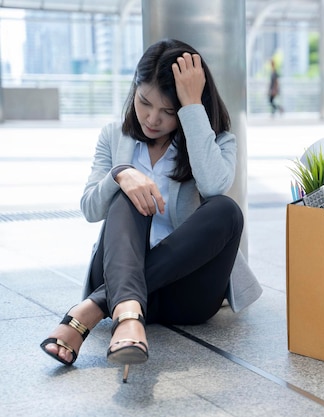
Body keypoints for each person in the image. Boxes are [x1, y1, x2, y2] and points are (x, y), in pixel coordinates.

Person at [39, 38, 261, 383]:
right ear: (134, 91)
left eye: (168, 111)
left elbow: (214, 186)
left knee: (226, 210)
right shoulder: (114, 137)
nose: (152, 119)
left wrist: (190, 107)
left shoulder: (217, 140)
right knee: (129, 191)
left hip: (185, 291)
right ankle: (128, 314)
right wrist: (121, 174)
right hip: (116, 275)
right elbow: (90, 208)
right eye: (144, 103)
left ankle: (93, 309)